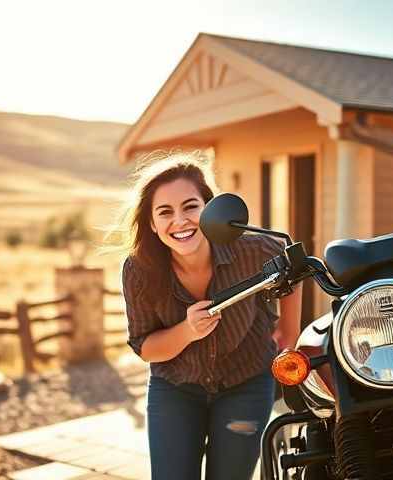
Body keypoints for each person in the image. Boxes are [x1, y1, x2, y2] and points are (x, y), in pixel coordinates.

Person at [114, 151, 302, 480]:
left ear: (211, 211)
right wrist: (187, 330)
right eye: (165, 212)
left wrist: (288, 333)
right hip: (176, 387)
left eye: (191, 207)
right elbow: (145, 347)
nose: (180, 221)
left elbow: (293, 268)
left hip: (246, 382)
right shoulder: (138, 271)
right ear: (153, 225)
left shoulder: (254, 250)